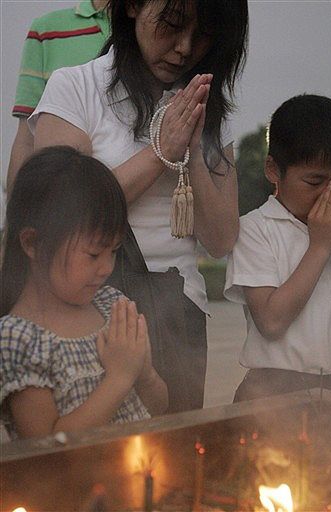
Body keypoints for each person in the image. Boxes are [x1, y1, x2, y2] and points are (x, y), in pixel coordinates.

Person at [29, 0, 249, 410]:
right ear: (132, 6)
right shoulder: (75, 87)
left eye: (202, 35)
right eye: (173, 24)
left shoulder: (207, 104)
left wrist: (194, 147)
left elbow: (221, 239)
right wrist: (161, 151)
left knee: (174, 458)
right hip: (85, 307)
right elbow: (58, 211)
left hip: (179, 314)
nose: (184, 48)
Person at [0, 146, 168, 440]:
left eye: (113, 251)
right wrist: (120, 377)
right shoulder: (19, 338)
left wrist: (145, 375)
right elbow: (45, 446)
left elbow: (157, 408)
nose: (106, 267)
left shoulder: (112, 305)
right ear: (32, 244)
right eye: (93, 254)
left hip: (136, 472)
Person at [224, 94, 331, 401]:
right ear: (273, 170)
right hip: (272, 394)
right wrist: (320, 247)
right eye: (314, 181)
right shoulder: (256, 229)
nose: (330, 193)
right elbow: (271, 321)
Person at [7, 0, 110, 189]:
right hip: (72, 199)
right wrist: (15, 214)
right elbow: (27, 137)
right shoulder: (47, 30)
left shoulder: (157, 29)